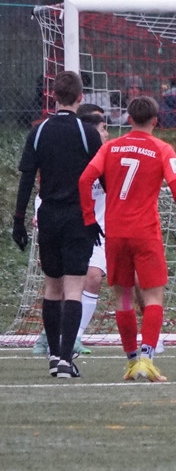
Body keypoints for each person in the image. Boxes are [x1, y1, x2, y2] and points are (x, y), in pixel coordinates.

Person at [78, 95, 176, 382]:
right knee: (153, 295)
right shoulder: (162, 148)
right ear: (156, 120)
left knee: (124, 296)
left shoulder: (111, 147)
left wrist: (89, 218)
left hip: (115, 232)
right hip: (145, 233)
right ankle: (147, 360)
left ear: (128, 119)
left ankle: (131, 362)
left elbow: (84, 180)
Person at [12, 70, 103, 378]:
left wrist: (18, 220)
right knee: (74, 287)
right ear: (81, 97)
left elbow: (27, 178)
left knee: (52, 288)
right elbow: (103, 178)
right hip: (77, 217)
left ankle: (54, 357)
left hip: (48, 215)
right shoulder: (87, 132)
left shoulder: (38, 131)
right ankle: (65, 358)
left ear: (53, 96)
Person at [31, 103, 109, 358]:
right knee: (61, 286)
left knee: (92, 277)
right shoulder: (77, 153)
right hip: (71, 223)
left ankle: (72, 338)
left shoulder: (108, 155)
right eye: (103, 128)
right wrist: (35, 213)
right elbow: (51, 187)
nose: (107, 133)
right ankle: (52, 339)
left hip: (98, 229)